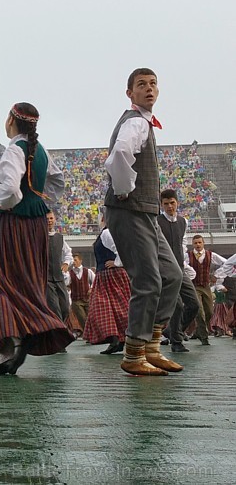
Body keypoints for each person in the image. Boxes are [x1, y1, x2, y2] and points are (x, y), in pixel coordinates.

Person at [0, 102, 72, 375]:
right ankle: (16, 345)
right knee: (26, 283)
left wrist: (5, 204)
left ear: (11, 121)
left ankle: (13, 342)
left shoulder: (13, 151)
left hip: (14, 224)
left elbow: (10, 190)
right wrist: (38, 197)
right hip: (36, 225)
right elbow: (58, 182)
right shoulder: (40, 151)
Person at [104, 68, 183, 375]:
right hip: (131, 209)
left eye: (153, 84)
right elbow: (120, 154)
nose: (149, 89)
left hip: (145, 212)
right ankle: (135, 352)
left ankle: (152, 346)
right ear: (130, 93)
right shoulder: (136, 122)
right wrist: (125, 190)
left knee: (172, 275)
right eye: (141, 85)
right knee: (148, 280)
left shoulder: (143, 123)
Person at [156, 189, 204, 353]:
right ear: (161, 205)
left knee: (194, 304)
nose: (170, 206)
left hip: (180, 268)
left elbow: (182, 245)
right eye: (166, 204)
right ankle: (176, 342)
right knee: (176, 305)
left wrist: (184, 266)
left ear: (177, 202)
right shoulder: (156, 222)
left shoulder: (183, 222)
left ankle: (172, 332)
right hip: (164, 269)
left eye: (172, 203)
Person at [83, 211, 130, 354]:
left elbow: (120, 249)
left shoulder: (107, 233)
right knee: (114, 308)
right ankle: (118, 340)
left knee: (107, 308)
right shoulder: (107, 232)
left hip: (110, 275)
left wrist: (117, 263)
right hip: (106, 275)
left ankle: (118, 339)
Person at [187, 234, 227, 344]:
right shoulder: (188, 256)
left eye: (200, 242)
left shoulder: (211, 255)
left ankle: (198, 331)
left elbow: (226, 263)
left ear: (203, 243)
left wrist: (217, 275)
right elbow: (181, 266)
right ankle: (204, 337)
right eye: (195, 243)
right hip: (194, 286)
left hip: (206, 286)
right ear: (192, 244)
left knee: (209, 311)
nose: (198, 245)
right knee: (199, 311)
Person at [46, 211, 73, 322]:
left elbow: (68, 253)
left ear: (55, 219)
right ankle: (60, 332)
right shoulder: (39, 237)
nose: (49, 221)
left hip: (59, 277)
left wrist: (66, 263)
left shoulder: (60, 238)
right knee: (54, 307)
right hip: (46, 279)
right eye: (47, 219)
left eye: (51, 218)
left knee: (65, 307)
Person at [66, 253, 94, 338]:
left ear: (80, 261)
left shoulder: (88, 271)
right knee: (82, 318)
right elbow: (66, 283)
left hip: (87, 298)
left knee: (91, 317)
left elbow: (94, 281)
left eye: (75, 260)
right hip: (76, 300)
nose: (74, 262)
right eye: (73, 260)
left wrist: (91, 288)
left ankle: (91, 334)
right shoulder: (69, 273)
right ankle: (89, 335)